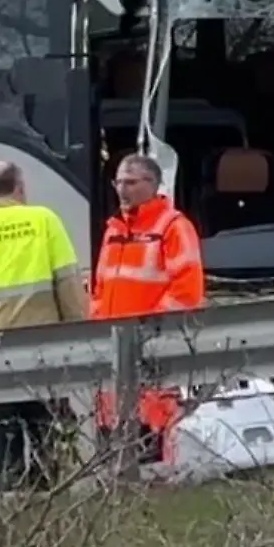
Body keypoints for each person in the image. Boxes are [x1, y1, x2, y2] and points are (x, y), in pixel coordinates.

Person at [0, 159, 86, 487]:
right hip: (41, 352)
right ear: (19, 189)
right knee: (47, 433)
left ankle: (8, 505)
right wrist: (79, 335)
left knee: (1, 440)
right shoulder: (43, 220)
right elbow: (67, 283)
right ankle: (48, 501)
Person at [90, 152, 205, 460]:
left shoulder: (173, 227)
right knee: (113, 453)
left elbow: (187, 291)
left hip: (151, 354)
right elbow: (101, 290)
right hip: (113, 355)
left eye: (130, 182)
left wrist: (150, 333)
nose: (122, 189)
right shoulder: (114, 230)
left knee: (151, 450)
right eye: (118, 182)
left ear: (152, 184)